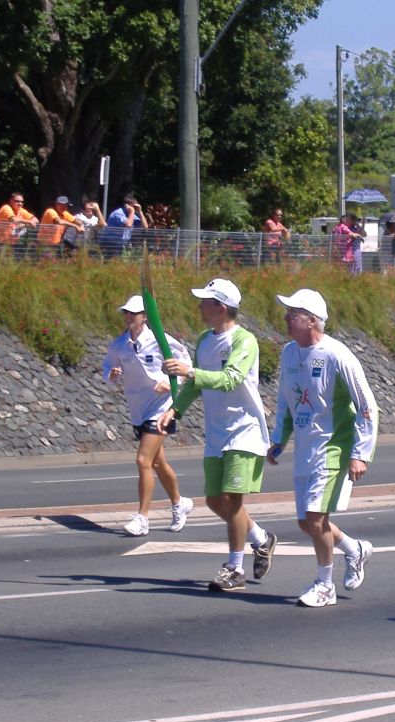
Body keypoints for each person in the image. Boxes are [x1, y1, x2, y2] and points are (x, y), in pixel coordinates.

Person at [158, 279, 278, 592]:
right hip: (216, 432)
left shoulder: (244, 341)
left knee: (232, 502)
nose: (199, 306)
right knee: (214, 500)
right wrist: (175, 410)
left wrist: (189, 371)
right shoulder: (204, 340)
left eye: (205, 302)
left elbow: (229, 379)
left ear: (221, 307)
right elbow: (195, 386)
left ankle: (234, 569)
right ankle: (261, 538)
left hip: (244, 431)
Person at [268, 288, 378, 607]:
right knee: (306, 523)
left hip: (333, 447)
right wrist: (279, 439)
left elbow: (367, 406)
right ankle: (354, 549)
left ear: (313, 321)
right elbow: (285, 402)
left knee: (316, 520)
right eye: (287, 311)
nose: (287, 317)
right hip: (306, 447)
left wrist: (360, 453)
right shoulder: (289, 353)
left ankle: (324, 585)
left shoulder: (336, 355)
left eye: (294, 313)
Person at [102, 295, 193, 537]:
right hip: (138, 408)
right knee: (157, 462)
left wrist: (169, 382)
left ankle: (142, 518)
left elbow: (185, 363)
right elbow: (107, 366)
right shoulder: (120, 344)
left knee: (143, 460)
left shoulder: (160, 341)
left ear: (145, 316)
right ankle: (179, 503)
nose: (129, 317)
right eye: (126, 313)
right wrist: (112, 374)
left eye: (134, 313)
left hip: (162, 408)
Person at [0, 192, 38, 256]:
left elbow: (36, 220)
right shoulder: (6, 208)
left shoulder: (20, 210)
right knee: (0, 263)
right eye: (17, 201)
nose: (20, 203)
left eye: (22, 202)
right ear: (11, 201)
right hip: (0, 243)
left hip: (11, 244)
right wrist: (29, 222)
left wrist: (24, 224)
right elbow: (14, 220)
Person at [100, 194, 147, 259]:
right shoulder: (118, 213)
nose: (134, 208)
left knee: (117, 264)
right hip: (109, 244)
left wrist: (140, 212)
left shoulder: (130, 215)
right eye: (132, 206)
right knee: (110, 264)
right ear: (126, 205)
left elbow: (145, 227)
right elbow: (128, 225)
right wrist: (132, 211)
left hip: (120, 245)